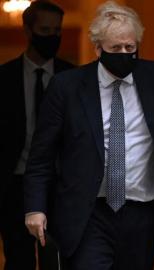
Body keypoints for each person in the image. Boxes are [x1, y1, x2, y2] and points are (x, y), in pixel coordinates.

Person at [24, 1, 154, 269]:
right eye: (115, 48)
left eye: (130, 47)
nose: (124, 53)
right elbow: (41, 156)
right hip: (89, 211)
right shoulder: (67, 87)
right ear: (98, 48)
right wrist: (35, 208)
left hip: (143, 211)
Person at [0, 1, 74, 269]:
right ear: (28, 31)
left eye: (57, 30)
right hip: (13, 186)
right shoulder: (4, 78)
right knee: (17, 260)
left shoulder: (74, 77)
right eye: (45, 29)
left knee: (58, 260)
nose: (52, 36)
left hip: (61, 185)